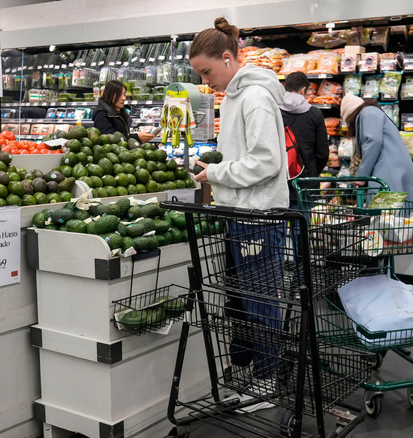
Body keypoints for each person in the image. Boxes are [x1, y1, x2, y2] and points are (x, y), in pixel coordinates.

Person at [189, 17, 288, 413]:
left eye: (207, 71)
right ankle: (255, 373)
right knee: (244, 301)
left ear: (227, 58)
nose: (205, 80)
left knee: (260, 300)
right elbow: (243, 155)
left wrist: (216, 173)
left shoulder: (255, 98)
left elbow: (265, 161)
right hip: (240, 213)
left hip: (259, 217)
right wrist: (214, 164)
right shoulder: (234, 97)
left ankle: (267, 384)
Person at [340, 92, 413, 203]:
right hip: (394, 169)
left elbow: (373, 141)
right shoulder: (372, 112)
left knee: (385, 216)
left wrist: (362, 176)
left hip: (388, 171)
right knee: (401, 216)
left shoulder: (368, 112)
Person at [279, 72, 329, 207]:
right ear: (303, 90)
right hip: (306, 182)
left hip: (280, 180)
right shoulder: (315, 114)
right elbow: (323, 152)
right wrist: (312, 171)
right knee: (303, 224)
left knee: (279, 222)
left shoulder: (275, 111)